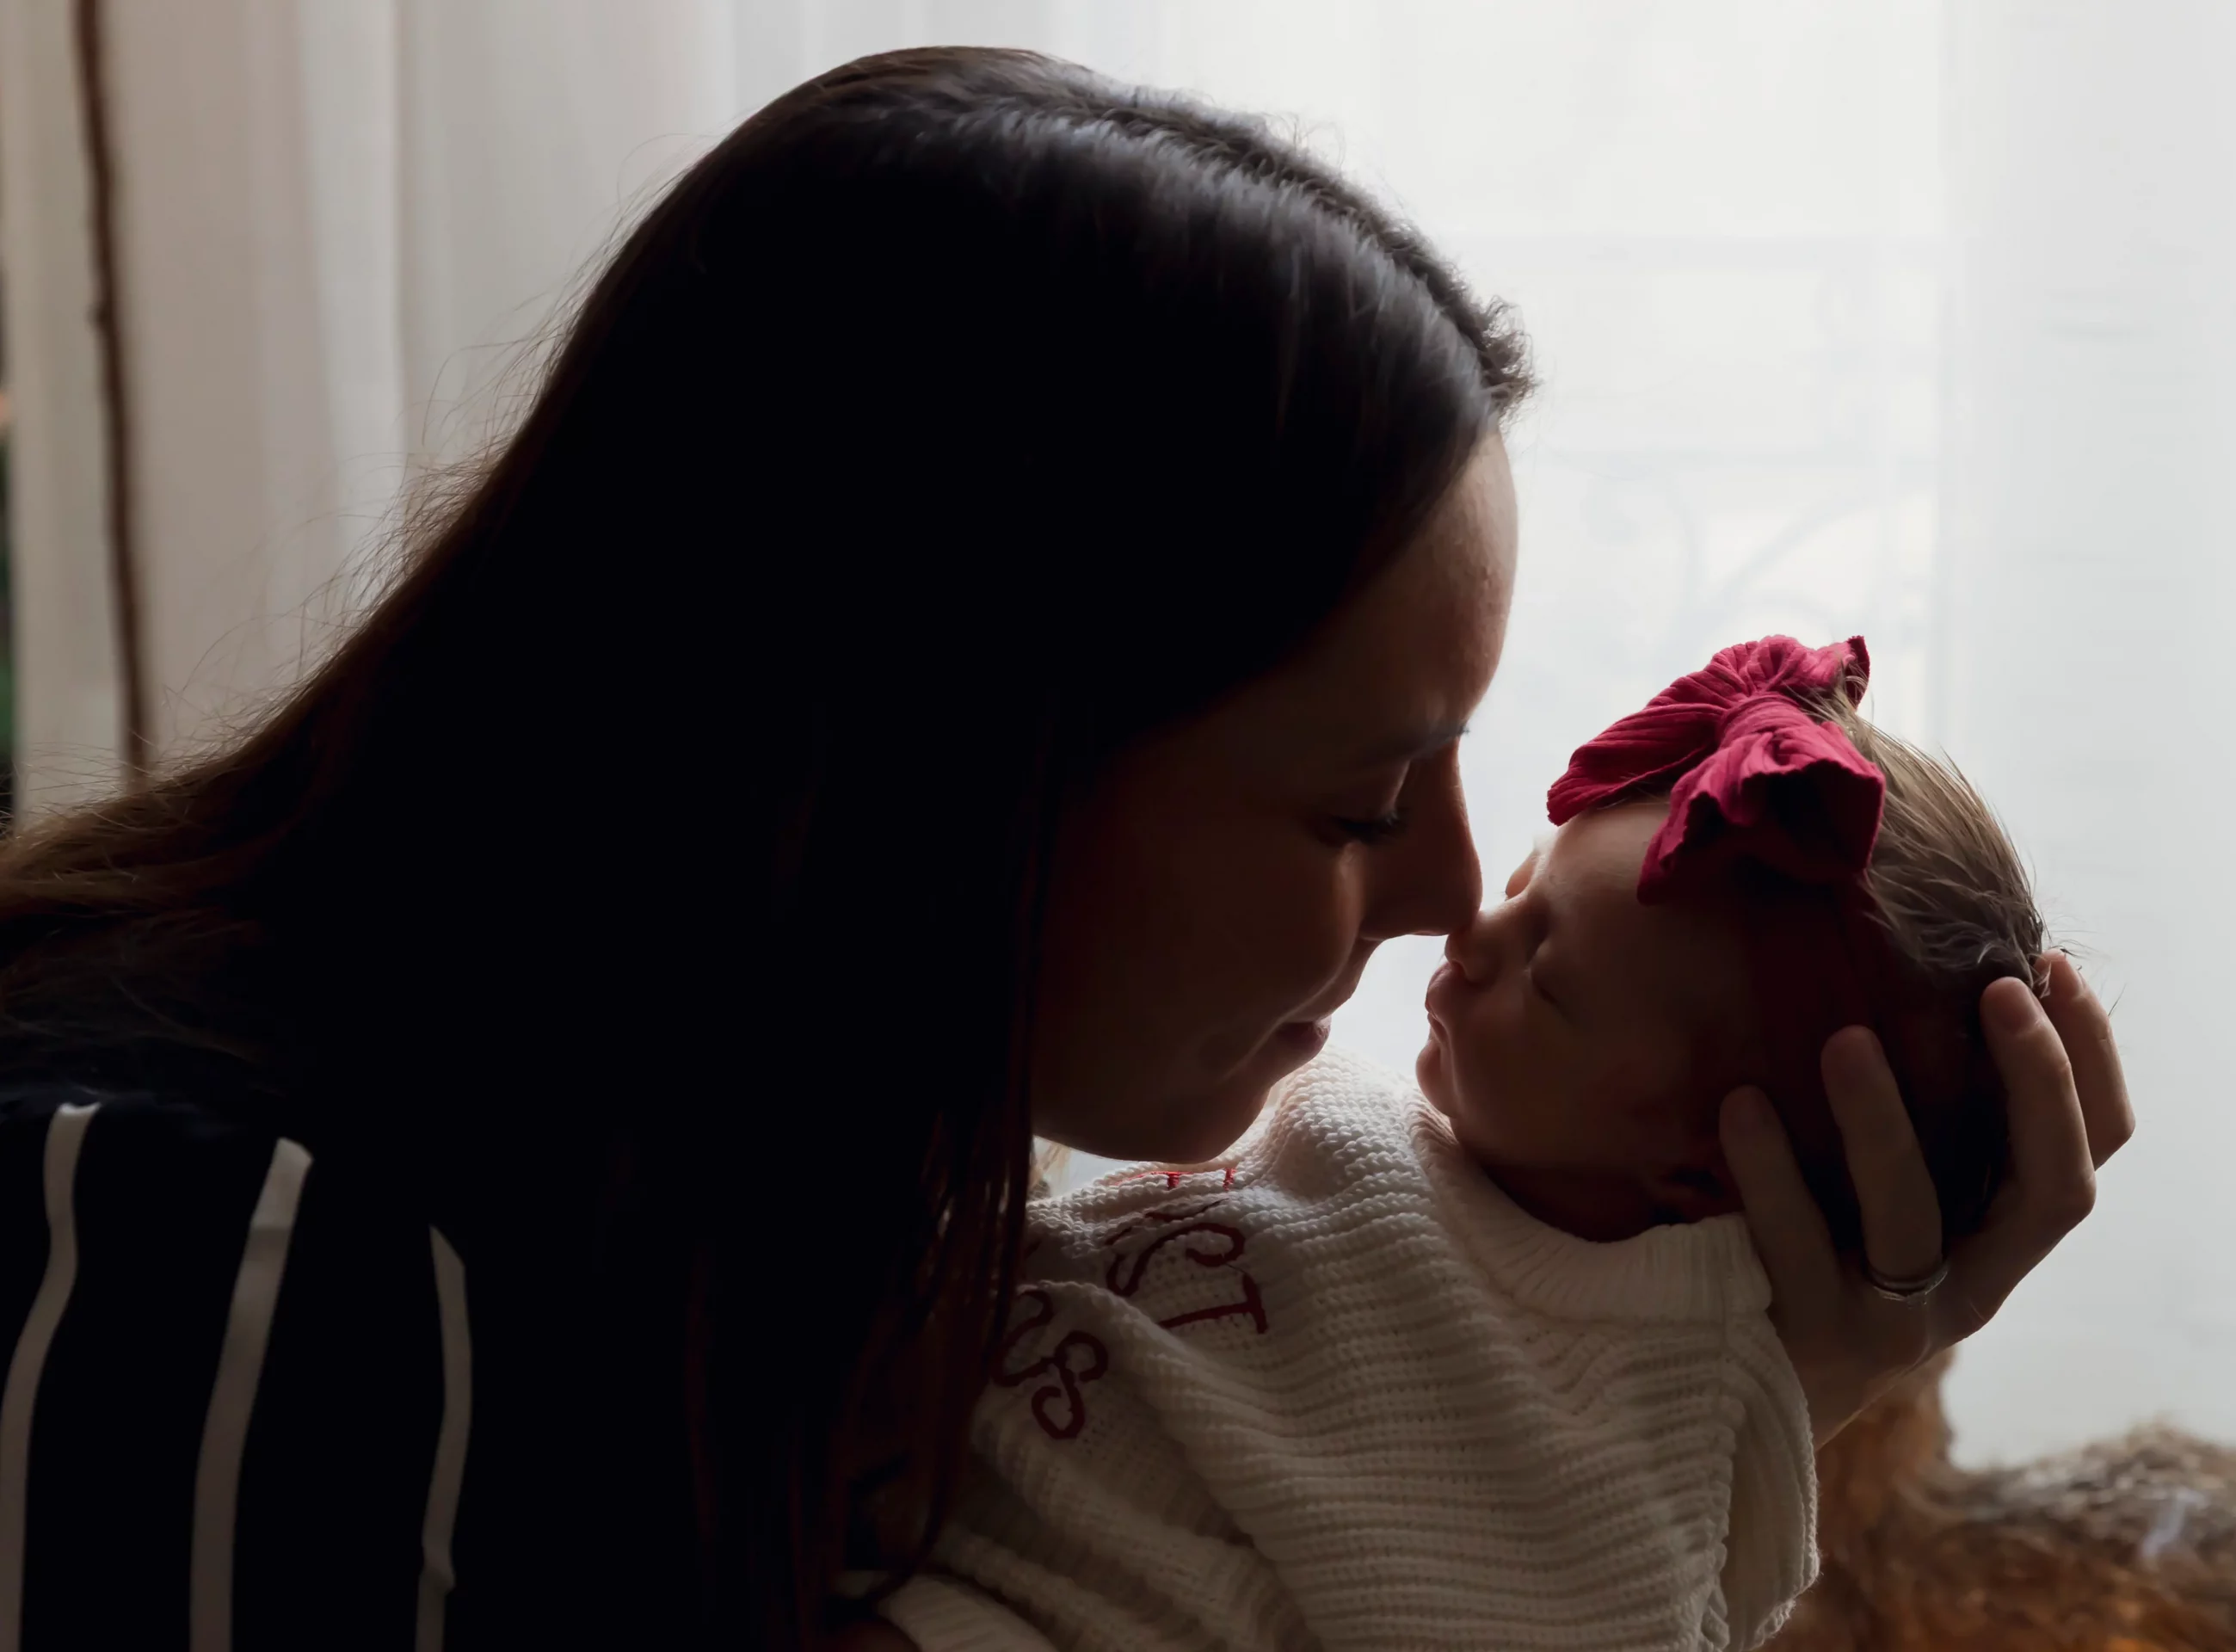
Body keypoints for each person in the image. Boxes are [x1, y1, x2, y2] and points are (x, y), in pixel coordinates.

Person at [0, 47, 2129, 1652]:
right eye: (1357, 801)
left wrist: (1722, 1392)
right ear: (942, 759)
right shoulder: (221, 1270)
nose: (1434, 904)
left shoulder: (805, 1200)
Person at [872, 636, 2047, 1652]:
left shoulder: (1599, 1446)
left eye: (1551, 980)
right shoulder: (1401, 1146)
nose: (1467, 925)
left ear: (1709, 1166)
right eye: (1525, 888)